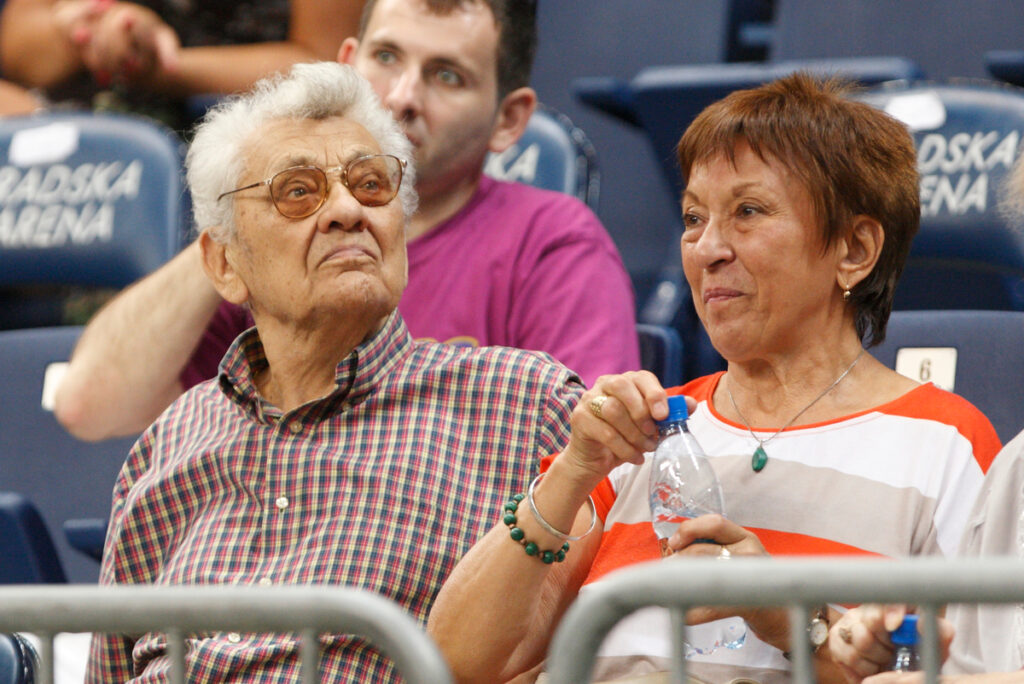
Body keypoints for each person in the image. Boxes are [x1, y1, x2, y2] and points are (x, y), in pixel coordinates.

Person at [425, 73, 1000, 684]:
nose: (707, 248)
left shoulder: (945, 444)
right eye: (694, 217)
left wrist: (787, 618)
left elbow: (973, 672)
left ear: (854, 249)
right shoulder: (643, 434)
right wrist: (572, 470)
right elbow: (454, 663)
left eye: (747, 212)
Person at [85, 60, 584, 682]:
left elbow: (641, 633)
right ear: (223, 262)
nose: (347, 210)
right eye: (298, 192)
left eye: (371, 185)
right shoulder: (169, 443)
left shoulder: (524, 405)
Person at [52, 0, 639, 442]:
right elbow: (89, 405)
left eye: (447, 76)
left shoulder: (550, 239)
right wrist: (243, 219)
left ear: (509, 120)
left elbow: (589, 458)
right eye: (386, 59)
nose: (403, 96)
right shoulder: (269, 237)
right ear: (347, 66)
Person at [0, 0, 363, 129]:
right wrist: (101, 24)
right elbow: (17, 46)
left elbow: (326, 65)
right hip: (88, 119)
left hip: (257, 128)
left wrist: (158, 67)